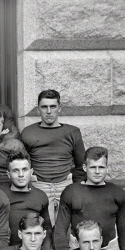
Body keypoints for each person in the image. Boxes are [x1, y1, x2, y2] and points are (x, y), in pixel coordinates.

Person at [20, 89, 86, 224]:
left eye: (53, 106)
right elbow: (23, 164)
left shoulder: (72, 132)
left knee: (69, 230)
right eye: (44, 107)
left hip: (65, 185)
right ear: (38, 109)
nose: (48, 111)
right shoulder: (28, 132)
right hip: (39, 185)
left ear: (59, 108)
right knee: (40, 229)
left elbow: (81, 166)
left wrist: (77, 190)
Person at [54, 146, 125, 250]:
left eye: (101, 167)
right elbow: (60, 228)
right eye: (93, 167)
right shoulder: (71, 192)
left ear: (107, 168)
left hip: (109, 249)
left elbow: (124, 227)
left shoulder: (117, 193)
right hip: (77, 249)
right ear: (85, 167)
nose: (97, 172)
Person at [0, 151, 52, 248]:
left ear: (31, 172)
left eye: (24, 170)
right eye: (15, 170)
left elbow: (47, 228)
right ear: (8, 174)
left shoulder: (40, 195)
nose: (21, 174)